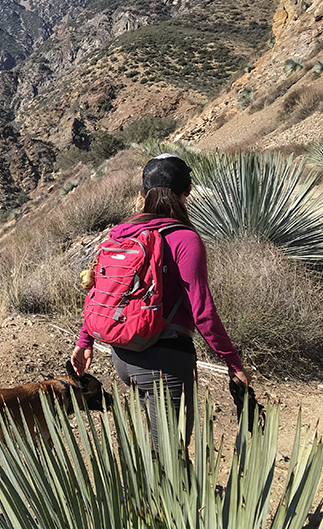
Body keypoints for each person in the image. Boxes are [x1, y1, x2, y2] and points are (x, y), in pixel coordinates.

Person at [70, 153, 250, 446]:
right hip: (164, 361)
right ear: (186, 192)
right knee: (170, 452)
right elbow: (203, 312)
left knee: (158, 440)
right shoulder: (184, 239)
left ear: (142, 194)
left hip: (123, 355)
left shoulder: (120, 234)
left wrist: (84, 343)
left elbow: (99, 292)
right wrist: (233, 363)